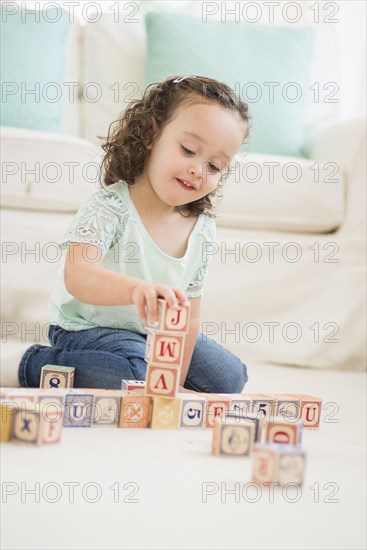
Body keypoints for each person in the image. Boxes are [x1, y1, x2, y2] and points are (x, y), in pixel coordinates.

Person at [18, 75, 251, 393]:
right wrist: (135, 290)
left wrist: (173, 387)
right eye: (188, 150)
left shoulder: (203, 229)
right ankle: (30, 362)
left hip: (153, 335)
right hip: (89, 328)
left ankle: (142, 372)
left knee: (230, 378)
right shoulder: (110, 206)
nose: (199, 170)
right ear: (150, 133)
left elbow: (190, 318)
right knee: (133, 376)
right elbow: (79, 274)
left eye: (215, 166)